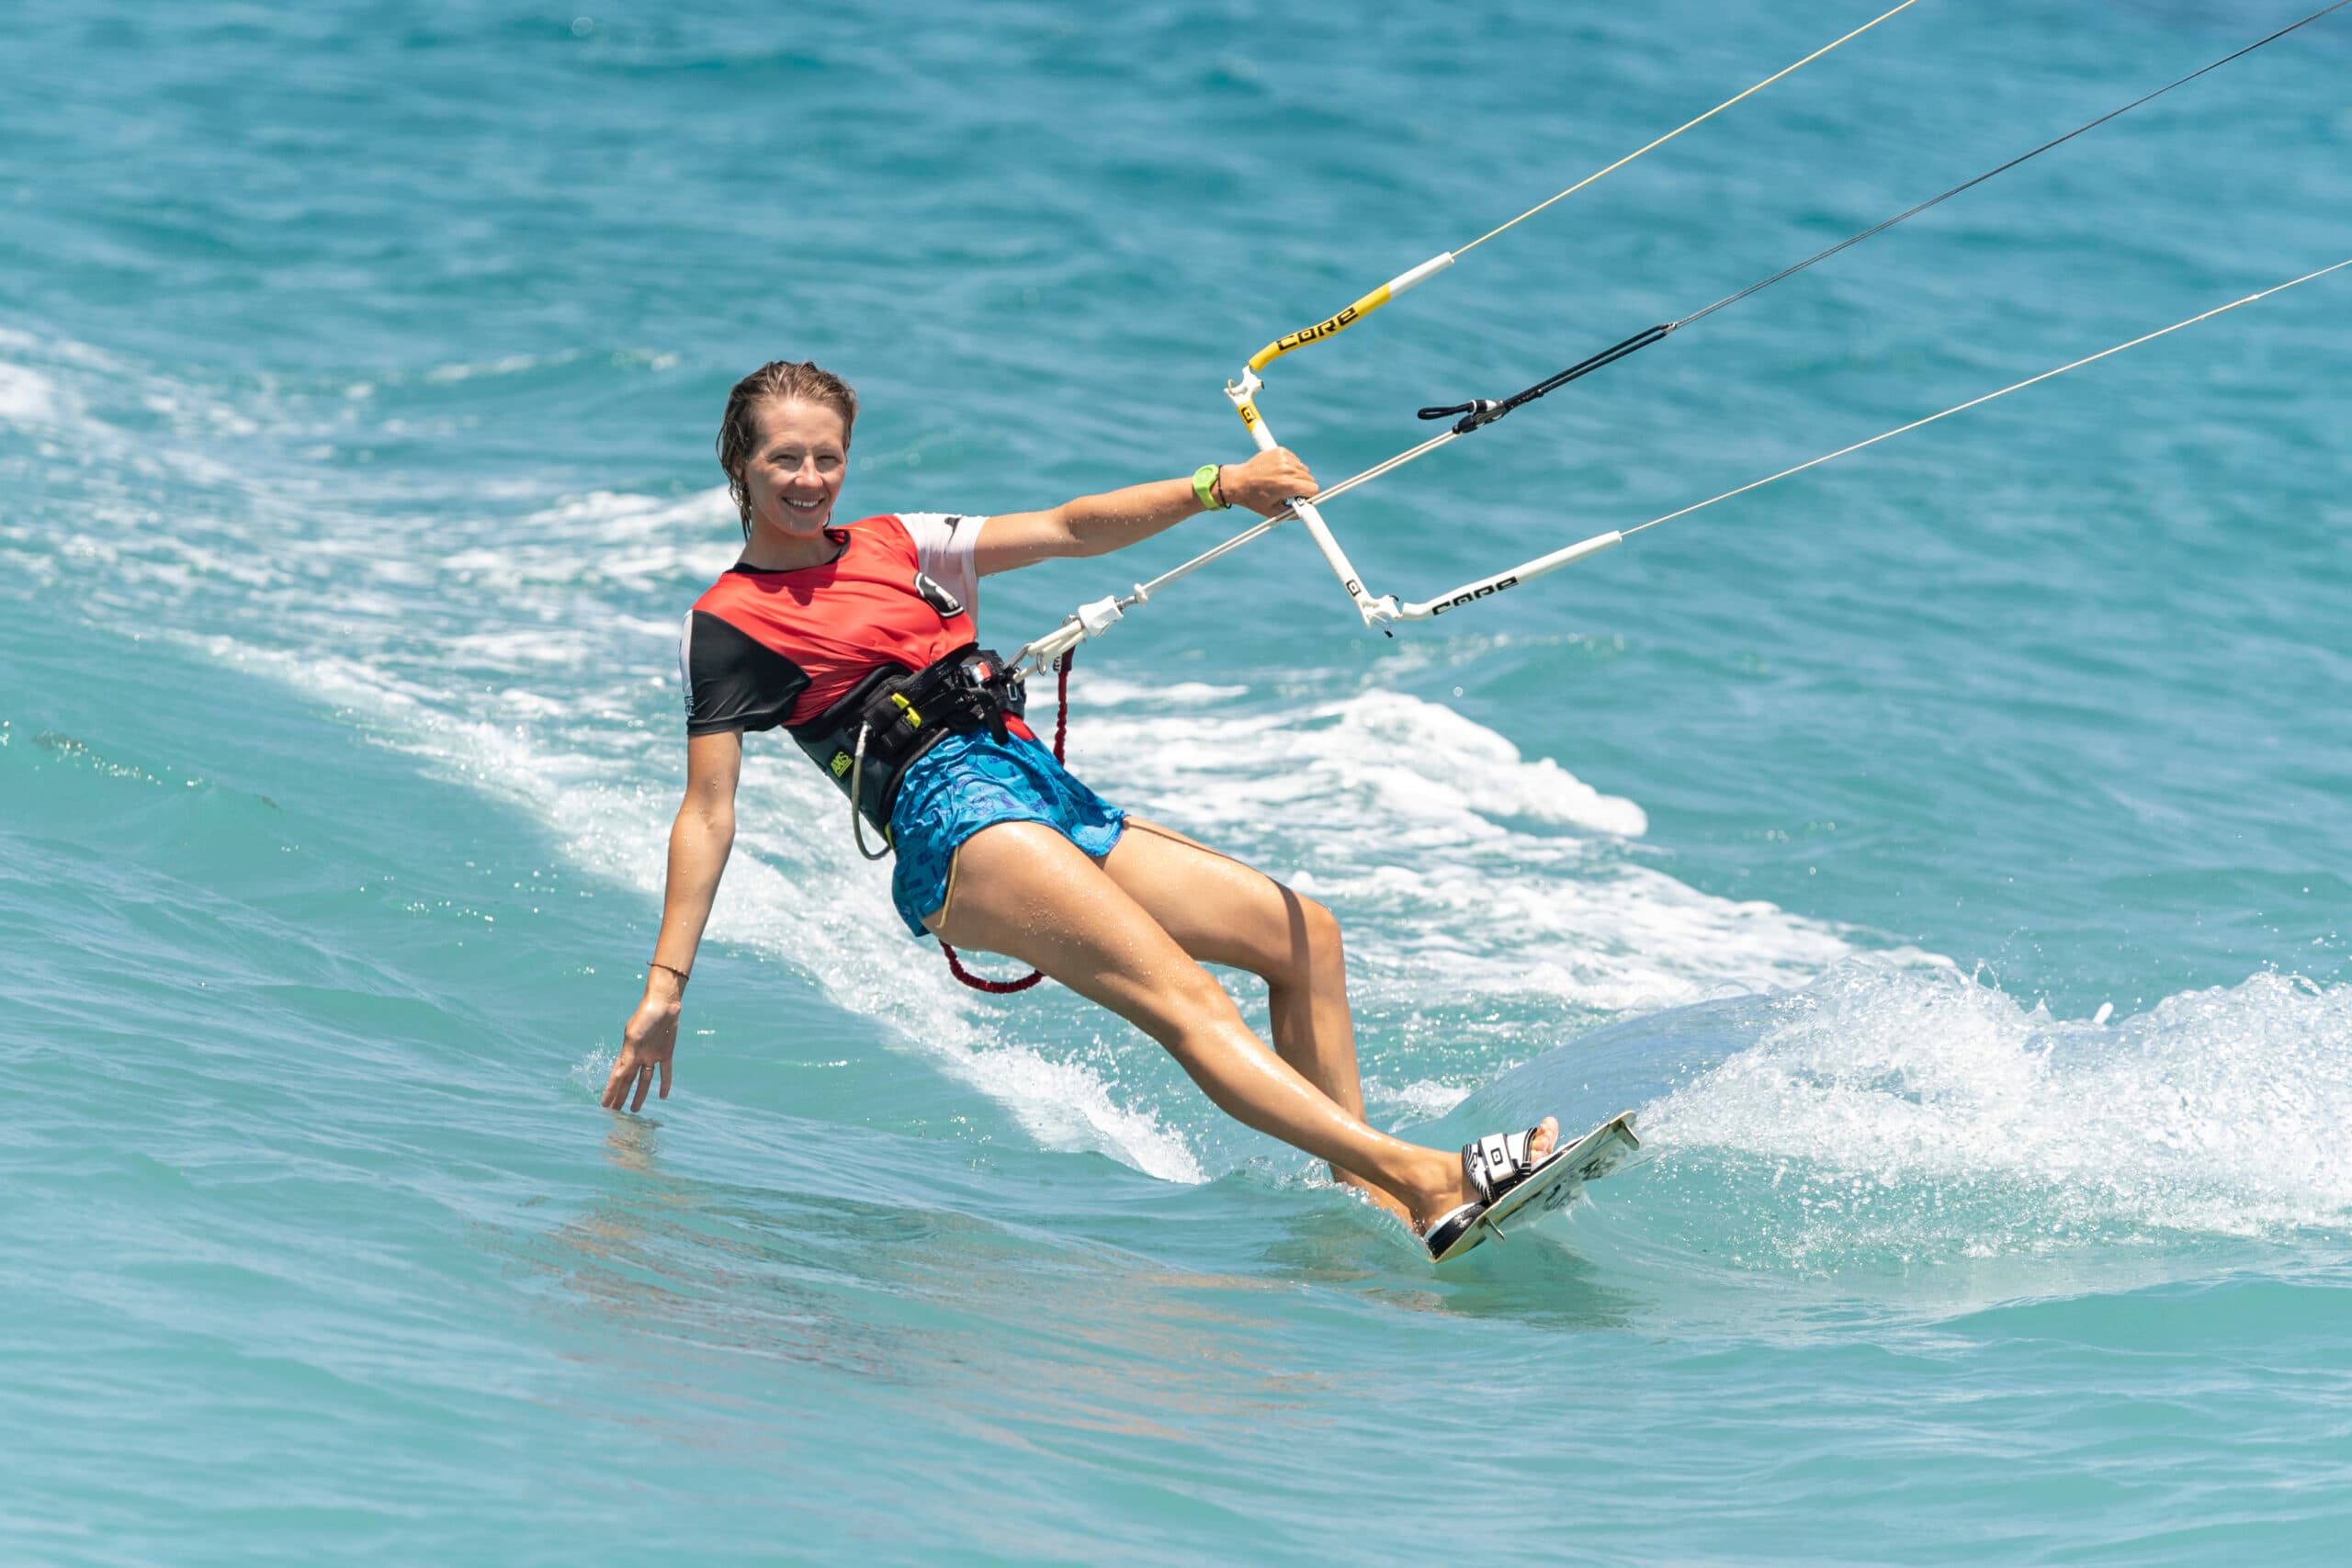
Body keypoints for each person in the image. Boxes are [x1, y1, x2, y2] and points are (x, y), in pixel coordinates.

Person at [602, 358, 1565, 1255]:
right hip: (951, 820)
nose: (809, 478)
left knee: (1301, 935)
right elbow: (707, 814)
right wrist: (665, 986)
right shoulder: (728, 620)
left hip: (1034, 788)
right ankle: (1429, 1177)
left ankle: (1376, 1209)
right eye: (784, 458)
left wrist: (1220, 487)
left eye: (828, 457)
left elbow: (1069, 527)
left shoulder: (898, 542)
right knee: (1186, 1001)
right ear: (739, 462)